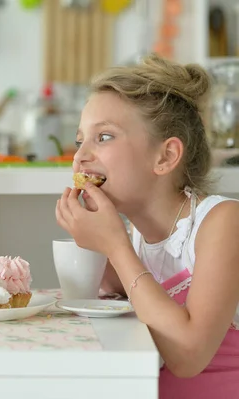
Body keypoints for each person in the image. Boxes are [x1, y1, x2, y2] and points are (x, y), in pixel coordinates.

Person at [55, 54, 239, 398]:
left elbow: (187, 357)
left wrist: (114, 246)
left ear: (166, 157)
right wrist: (97, 242)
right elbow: (134, 302)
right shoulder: (138, 235)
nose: (80, 156)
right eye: (81, 140)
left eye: (104, 137)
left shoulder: (222, 222)